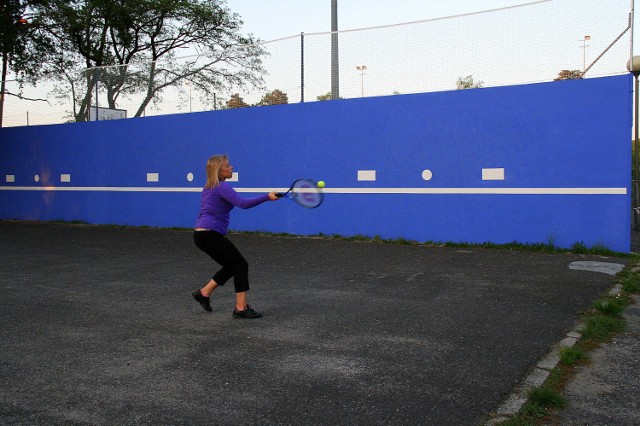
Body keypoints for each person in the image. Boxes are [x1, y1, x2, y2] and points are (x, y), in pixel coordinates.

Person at [192, 155, 279, 318]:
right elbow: (243, 204)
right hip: (209, 234)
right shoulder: (222, 186)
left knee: (232, 265)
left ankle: (204, 293)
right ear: (220, 170)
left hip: (201, 235)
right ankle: (241, 308)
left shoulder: (210, 186)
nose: (231, 167)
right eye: (228, 165)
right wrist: (267, 197)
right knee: (240, 264)